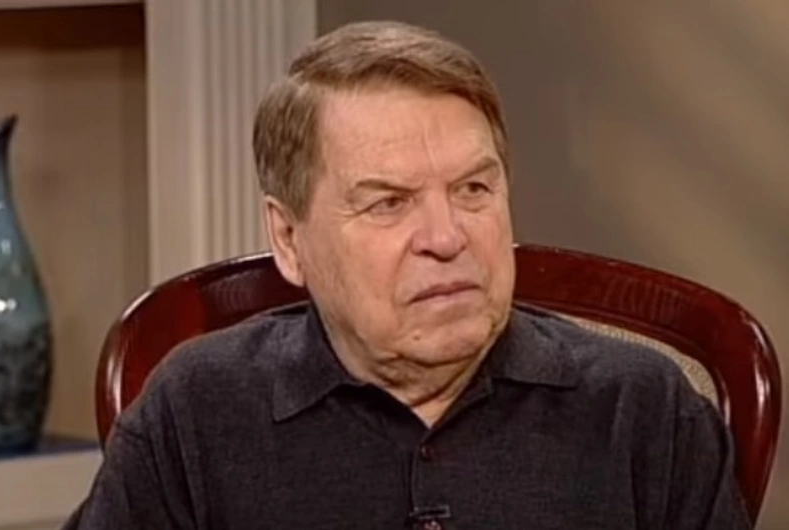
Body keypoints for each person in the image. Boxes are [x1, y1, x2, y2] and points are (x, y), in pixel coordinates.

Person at [62, 20, 751, 529]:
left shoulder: (643, 409)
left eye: (474, 190)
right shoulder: (197, 410)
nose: (447, 238)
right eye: (388, 203)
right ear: (289, 238)